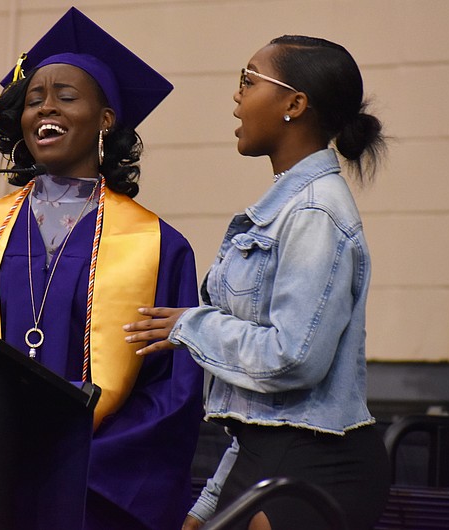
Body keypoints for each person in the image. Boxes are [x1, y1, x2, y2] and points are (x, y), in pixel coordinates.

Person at [0, 7, 204, 530]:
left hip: (92, 492)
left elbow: (172, 390)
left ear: (106, 119)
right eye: (34, 100)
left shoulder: (159, 247)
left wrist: (75, 465)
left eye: (66, 97)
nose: (45, 108)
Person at [124, 35, 390, 530]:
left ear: (294, 103)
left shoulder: (315, 213)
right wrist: (206, 507)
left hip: (317, 466)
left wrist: (191, 326)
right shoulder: (287, 207)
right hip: (269, 456)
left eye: (248, 80)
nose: (236, 96)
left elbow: (293, 358)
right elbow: (262, 420)